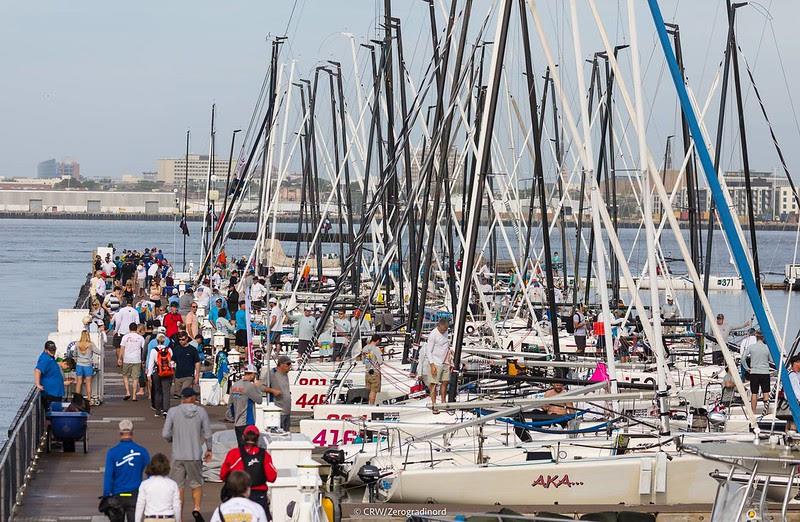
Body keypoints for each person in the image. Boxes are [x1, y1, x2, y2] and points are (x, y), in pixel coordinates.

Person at [162, 388, 213, 521]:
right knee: (196, 483)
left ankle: (179, 516)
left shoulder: (173, 412)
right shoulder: (201, 412)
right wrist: (209, 449)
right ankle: (196, 508)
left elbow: (165, 434)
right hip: (194, 454)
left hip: (178, 454)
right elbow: (207, 433)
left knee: (178, 486)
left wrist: (173, 439)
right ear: (191, 398)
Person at [219, 426, 277, 518]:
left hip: (236, 495)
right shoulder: (264, 455)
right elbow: (272, 477)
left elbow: (222, 475)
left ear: (243, 437)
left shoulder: (233, 453)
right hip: (259, 496)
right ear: (258, 439)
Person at [103, 420, 150, 522]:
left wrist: (106, 494)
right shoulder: (142, 451)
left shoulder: (112, 452)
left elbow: (108, 475)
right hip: (135, 494)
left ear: (119, 433)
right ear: (132, 432)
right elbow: (151, 472)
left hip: (118, 494)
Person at [135, 453, 181, 522]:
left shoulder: (145, 484)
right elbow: (176, 506)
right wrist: (178, 520)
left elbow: (140, 505)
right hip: (168, 518)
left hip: (150, 518)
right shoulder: (172, 484)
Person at [229, 365, 264, 445]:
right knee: (249, 448)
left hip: (237, 421)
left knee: (241, 447)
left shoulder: (235, 385)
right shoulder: (250, 386)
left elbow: (230, 404)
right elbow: (259, 400)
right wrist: (257, 387)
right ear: (252, 375)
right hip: (247, 421)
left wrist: (233, 417)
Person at [422, 318, 452, 409]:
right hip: (435, 362)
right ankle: (434, 404)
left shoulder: (446, 331)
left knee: (445, 381)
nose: (444, 331)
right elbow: (428, 351)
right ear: (438, 326)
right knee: (433, 384)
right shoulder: (433, 335)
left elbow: (446, 345)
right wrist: (432, 365)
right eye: (442, 330)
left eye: (446, 330)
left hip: (445, 362)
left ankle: (443, 402)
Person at [741, 331, 773, 414]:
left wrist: (747, 368)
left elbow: (743, 358)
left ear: (756, 337)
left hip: (754, 372)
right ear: (763, 338)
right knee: (766, 393)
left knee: (754, 393)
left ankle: (753, 412)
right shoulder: (767, 347)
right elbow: (770, 359)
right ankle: (766, 412)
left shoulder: (751, 347)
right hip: (765, 372)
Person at [147, 333, 174, 416]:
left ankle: (158, 411)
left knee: (157, 391)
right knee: (166, 392)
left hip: (157, 372)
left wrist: (149, 375)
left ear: (157, 340)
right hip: (167, 372)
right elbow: (171, 362)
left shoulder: (154, 350)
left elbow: (151, 363)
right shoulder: (169, 350)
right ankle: (166, 410)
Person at [264, 355, 292, 431]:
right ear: (281, 364)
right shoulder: (272, 373)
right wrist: (273, 391)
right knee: (279, 434)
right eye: (288, 364)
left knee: (286, 433)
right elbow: (261, 387)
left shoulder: (285, 373)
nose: (290, 366)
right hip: (278, 411)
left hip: (287, 410)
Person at [118, 323, 145, 401]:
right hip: (137, 359)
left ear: (129, 329)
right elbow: (143, 349)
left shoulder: (125, 337)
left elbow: (122, 348)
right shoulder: (140, 338)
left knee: (125, 376)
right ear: (136, 329)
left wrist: (120, 358)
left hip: (127, 359)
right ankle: (134, 396)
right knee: (135, 378)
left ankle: (127, 392)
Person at [35, 340, 65, 409]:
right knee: (54, 412)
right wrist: (37, 384)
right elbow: (37, 370)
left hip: (56, 391)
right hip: (51, 392)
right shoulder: (45, 359)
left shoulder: (50, 357)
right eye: (50, 350)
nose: (53, 352)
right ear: (45, 350)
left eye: (54, 350)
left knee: (57, 411)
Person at [74, 330, 101, 402]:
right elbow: (99, 352)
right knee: (88, 383)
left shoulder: (77, 344)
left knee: (79, 382)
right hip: (87, 365)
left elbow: (74, 354)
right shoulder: (90, 344)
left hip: (79, 365)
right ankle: (89, 399)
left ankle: (77, 400)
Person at [361, 334, 383, 405]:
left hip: (367, 372)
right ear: (378, 340)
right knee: (373, 391)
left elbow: (363, 361)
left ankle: (367, 405)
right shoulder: (376, 349)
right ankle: (371, 406)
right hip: (375, 372)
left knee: (368, 390)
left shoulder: (364, 348)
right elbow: (380, 362)